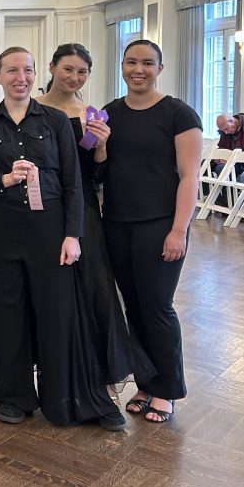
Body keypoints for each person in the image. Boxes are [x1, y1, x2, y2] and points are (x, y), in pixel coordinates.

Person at [0, 47, 122, 430]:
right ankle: (15, 395)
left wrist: (72, 235)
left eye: (28, 70)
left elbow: (72, 183)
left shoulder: (56, 121)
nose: (21, 77)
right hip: (1, 230)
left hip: (49, 229)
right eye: (12, 70)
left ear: (36, 75)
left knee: (56, 312)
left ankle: (63, 395)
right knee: (8, 312)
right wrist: (3, 179)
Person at [95, 39, 203, 425]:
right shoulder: (110, 112)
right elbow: (100, 170)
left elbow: (189, 177)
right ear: (122, 66)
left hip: (160, 224)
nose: (138, 70)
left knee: (157, 307)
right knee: (133, 308)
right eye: (131, 62)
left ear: (160, 68)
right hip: (117, 223)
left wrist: (179, 230)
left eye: (146, 63)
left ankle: (167, 389)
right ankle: (145, 383)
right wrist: (100, 148)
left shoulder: (179, 114)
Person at [37, 43, 149, 404]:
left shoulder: (91, 115)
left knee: (96, 289)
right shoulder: (33, 108)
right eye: (68, 69)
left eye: (82, 72)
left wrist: (101, 147)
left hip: (83, 208)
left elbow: (98, 175)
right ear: (52, 67)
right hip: (41, 208)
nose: (74, 77)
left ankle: (102, 378)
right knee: (51, 292)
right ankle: (54, 373)